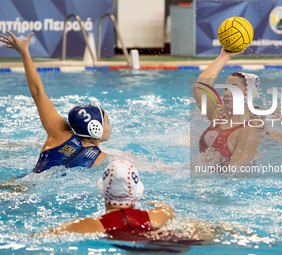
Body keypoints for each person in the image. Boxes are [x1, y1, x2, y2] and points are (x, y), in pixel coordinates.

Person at [0, 31, 110, 175]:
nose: (109, 126)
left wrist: (25, 52)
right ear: (96, 128)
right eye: (107, 122)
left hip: (23, 185)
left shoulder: (59, 134)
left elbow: (38, 93)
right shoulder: (102, 159)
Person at [35, 160, 174, 239]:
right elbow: (167, 210)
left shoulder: (87, 225)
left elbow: (37, 237)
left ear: (102, 190)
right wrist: (156, 204)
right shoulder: (160, 214)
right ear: (138, 193)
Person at [193, 48, 258, 166]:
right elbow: (200, 87)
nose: (227, 92)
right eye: (226, 88)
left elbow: (233, 177)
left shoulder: (247, 133)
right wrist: (224, 56)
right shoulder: (218, 115)